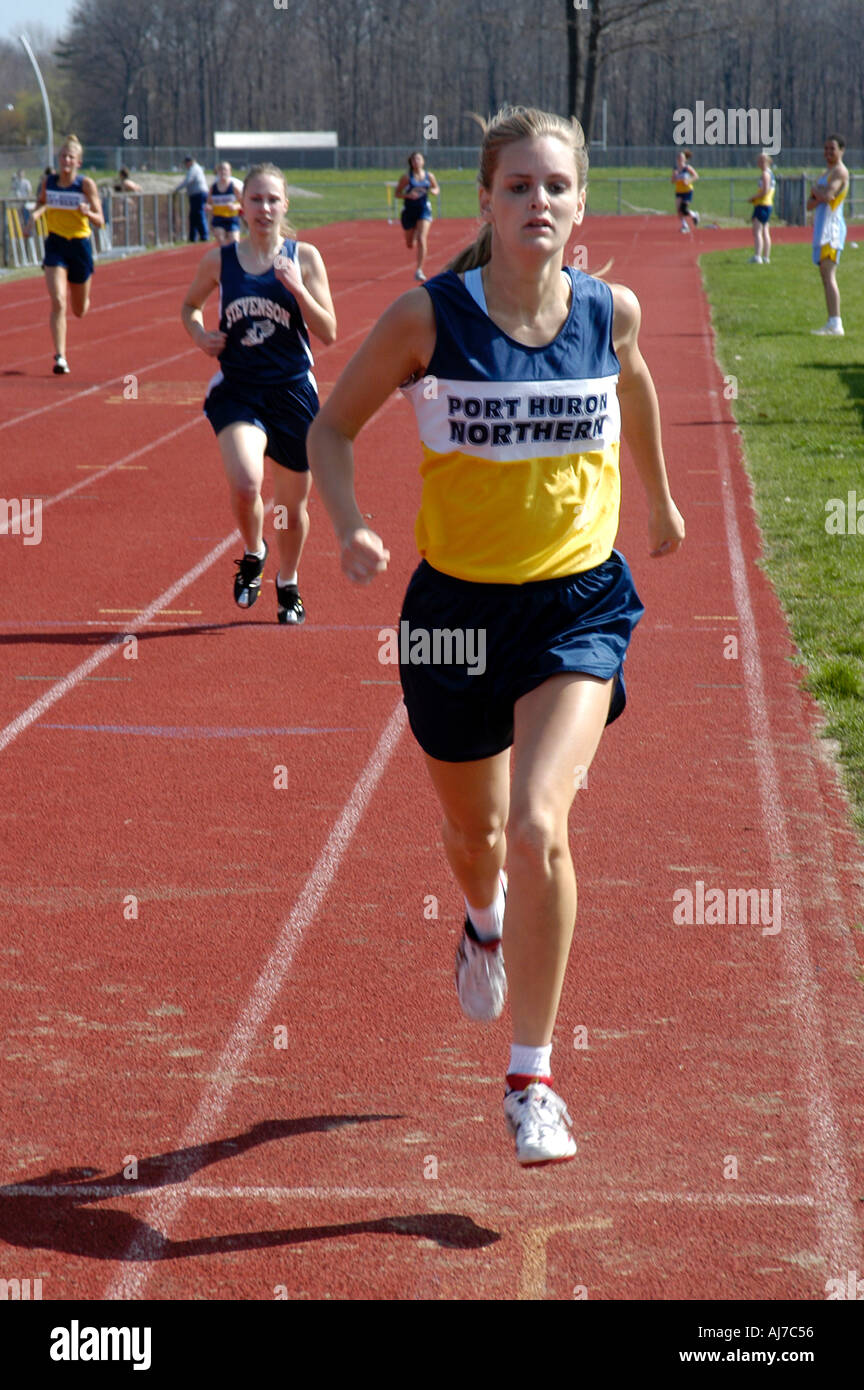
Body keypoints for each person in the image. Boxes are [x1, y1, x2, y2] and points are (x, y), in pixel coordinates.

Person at [307, 106, 685, 1165]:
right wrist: (352, 523)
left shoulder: (611, 313)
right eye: (518, 187)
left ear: (580, 201)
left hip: (577, 605)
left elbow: (639, 386)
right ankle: (481, 920)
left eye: (557, 186)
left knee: (539, 824)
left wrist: (659, 501)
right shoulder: (427, 319)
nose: (540, 204)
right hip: (450, 618)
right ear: (484, 200)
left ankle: (532, 1078)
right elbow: (329, 428)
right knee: (476, 842)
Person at [181, 163, 337, 624]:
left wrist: (298, 290)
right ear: (241, 206)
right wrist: (199, 334)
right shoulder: (220, 260)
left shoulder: (305, 257)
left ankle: (287, 581)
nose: (264, 208)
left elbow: (329, 331)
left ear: (285, 205)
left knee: (292, 505)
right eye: (256, 200)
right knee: (247, 482)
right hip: (239, 390)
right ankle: (253, 552)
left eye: (273, 200)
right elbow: (190, 306)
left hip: (292, 391)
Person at [28, 135, 103, 375]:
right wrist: (35, 215)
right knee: (58, 300)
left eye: (71, 157)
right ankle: (60, 356)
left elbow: (100, 221)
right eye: (63, 156)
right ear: (58, 159)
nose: (66, 160)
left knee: (79, 309)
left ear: (78, 162)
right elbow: (42, 203)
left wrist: (88, 212)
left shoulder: (85, 185)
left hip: (80, 246)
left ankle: (84, 297)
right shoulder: (48, 181)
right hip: (56, 245)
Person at [808, 134, 849, 335]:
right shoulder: (825, 174)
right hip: (820, 228)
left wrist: (817, 191)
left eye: (832, 149)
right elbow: (810, 203)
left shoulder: (840, 172)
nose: (828, 152)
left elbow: (827, 195)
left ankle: (836, 323)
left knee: (829, 273)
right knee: (824, 275)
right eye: (826, 148)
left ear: (841, 150)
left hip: (831, 229)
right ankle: (831, 320)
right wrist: (818, 192)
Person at [395, 151, 440, 281]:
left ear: (423, 161)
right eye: (414, 160)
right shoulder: (406, 178)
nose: (417, 162)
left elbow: (437, 188)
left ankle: (419, 270)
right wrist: (408, 195)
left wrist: (433, 191)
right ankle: (414, 231)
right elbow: (397, 193)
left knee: (422, 238)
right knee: (410, 244)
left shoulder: (429, 176)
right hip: (409, 211)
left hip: (424, 209)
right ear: (411, 162)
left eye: (419, 159)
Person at [206, 161, 244, 245]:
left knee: (234, 242)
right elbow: (208, 203)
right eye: (221, 170)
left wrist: (235, 206)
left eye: (225, 170)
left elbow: (243, 204)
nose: (223, 172)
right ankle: (225, 254)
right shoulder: (213, 187)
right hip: (218, 218)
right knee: (221, 239)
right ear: (218, 172)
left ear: (230, 172)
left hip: (232, 218)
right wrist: (208, 207)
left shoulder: (234, 187)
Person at [748, 152, 775, 263]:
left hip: (762, 204)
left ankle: (758, 256)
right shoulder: (770, 173)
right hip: (767, 204)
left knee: (758, 231)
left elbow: (765, 191)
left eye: (760, 161)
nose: (758, 163)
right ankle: (766, 257)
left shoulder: (765, 174)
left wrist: (753, 197)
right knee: (765, 230)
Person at [175, 155, 209, 242]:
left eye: (186, 163)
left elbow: (188, 181)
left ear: (190, 162)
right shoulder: (194, 169)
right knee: (193, 216)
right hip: (195, 195)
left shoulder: (194, 169)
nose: (186, 165)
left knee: (199, 214)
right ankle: (192, 237)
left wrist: (176, 189)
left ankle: (204, 236)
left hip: (199, 194)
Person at [671, 150, 699, 233]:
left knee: (683, 209)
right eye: (679, 157)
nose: (680, 159)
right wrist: (674, 176)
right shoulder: (675, 169)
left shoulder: (687, 168)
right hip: (679, 191)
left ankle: (694, 215)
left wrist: (689, 181)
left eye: (682, 157)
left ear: (684, 159)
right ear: (677, 159)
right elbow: (672, 181)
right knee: (678, 210)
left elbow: (696, 176)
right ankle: (685, 226)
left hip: (687, 191)